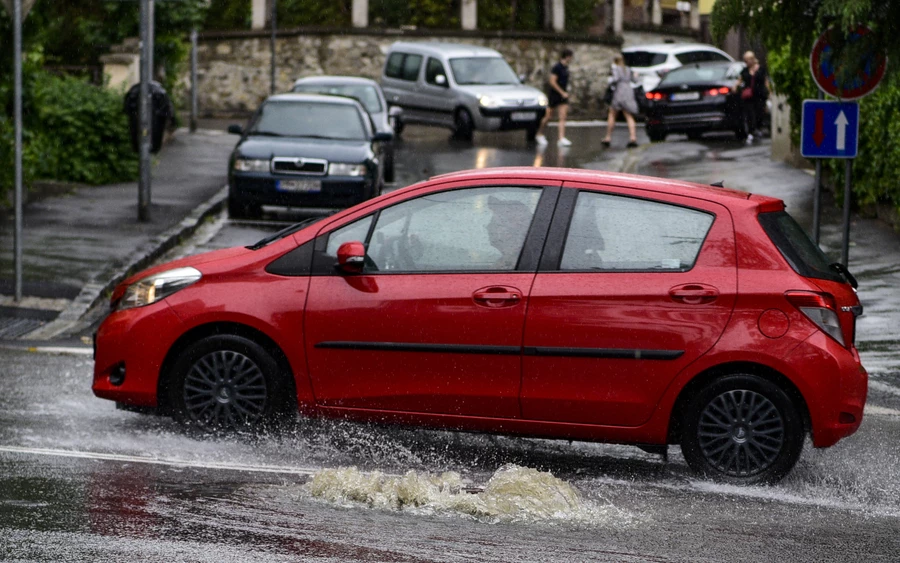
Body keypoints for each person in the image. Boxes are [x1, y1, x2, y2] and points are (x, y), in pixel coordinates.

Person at [535, 48, 573, 147]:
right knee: (548, 116)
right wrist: (561, 92)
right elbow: (552, 81)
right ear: (567, 56)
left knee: (563, 117)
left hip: (563, 95)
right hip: (555, 95)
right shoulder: (557, 67)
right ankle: (539, 133)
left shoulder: (566, 68)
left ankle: (561, 138)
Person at [602, 54, 639, 148]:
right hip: (628, 92)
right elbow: (635, 80)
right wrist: (636, 76)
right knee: (629, 115)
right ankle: (633, 137)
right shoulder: (628, 69)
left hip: (619, 91)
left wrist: (610, 80)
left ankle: (608, 137)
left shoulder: (616, 69)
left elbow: (615, 79)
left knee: (612, 114)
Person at [736, 50, 770, 143]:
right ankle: (751, 131)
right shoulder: (745, 71)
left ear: (752, 59)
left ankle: (757, 129)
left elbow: (765, 81)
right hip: (749, 97)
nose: (746, 62)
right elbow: (740, 80)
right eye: (745, 61)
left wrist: (769, 92)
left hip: (759, 95)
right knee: (750, 114)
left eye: (747, 60)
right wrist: (735, 87)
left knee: (759, 113)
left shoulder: (761, 69)